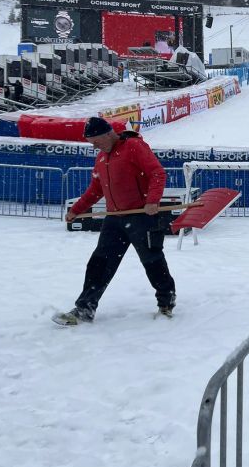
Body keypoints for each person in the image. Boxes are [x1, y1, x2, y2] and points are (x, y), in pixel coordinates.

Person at [53, 117, 176, 325]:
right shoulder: (101, 158)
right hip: (115, 220)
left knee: (152, 261)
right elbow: (95, 190)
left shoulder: (134, 147)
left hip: (141, 216)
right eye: (92, 143)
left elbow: (157, 173)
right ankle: (85, 308)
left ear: (109, 133)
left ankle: (166, 302)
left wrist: (152, 201)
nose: (94, 146)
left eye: (96, 141)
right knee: (99, 263)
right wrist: (76, 210)